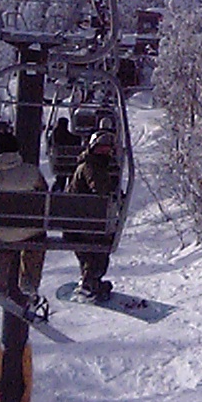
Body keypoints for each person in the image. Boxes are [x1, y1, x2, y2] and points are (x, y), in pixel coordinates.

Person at [0, 128, 48, 309]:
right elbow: (45, 196)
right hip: (30, 232)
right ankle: (29, 283)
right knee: (33, 248)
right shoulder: (32, 173)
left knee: (0, 247)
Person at [66, 127, 120, 299]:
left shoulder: (94, 165)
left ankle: (91, 280)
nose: (105, 151)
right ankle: (89, 282)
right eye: (101, 148)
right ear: (92, 148)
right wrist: (110, 194)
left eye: (107, 148)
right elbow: (99, 190)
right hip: (84, 223)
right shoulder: (90, 166)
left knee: (95, 252)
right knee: (98, 250)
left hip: (81, 223)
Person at [47, 116, 81, 191]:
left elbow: (49, 144)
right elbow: (76, 140)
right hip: (70, 163)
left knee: (61, 178)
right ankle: (70, 189)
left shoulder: (54, 135)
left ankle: (57, 191)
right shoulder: (70, 137)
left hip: (59, 163)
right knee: (71, 176)